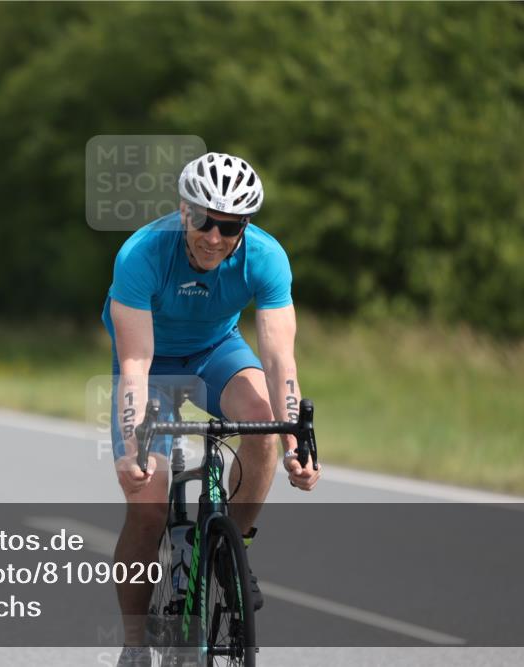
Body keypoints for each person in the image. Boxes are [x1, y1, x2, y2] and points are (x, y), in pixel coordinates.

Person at [102, 152, 321, 666]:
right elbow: (135, 360)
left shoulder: (266, 258)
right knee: (149, 506)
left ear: (245, 225)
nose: (215, 237)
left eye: (230, 226)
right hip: (151, 363)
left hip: (216, 352)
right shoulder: (141, 254)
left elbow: (278, 357)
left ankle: (232, 555)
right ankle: (134, 645)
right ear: (184, 210)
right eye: (204, 220)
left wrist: (296, 443)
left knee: (263, 425)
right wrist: (134, 444)